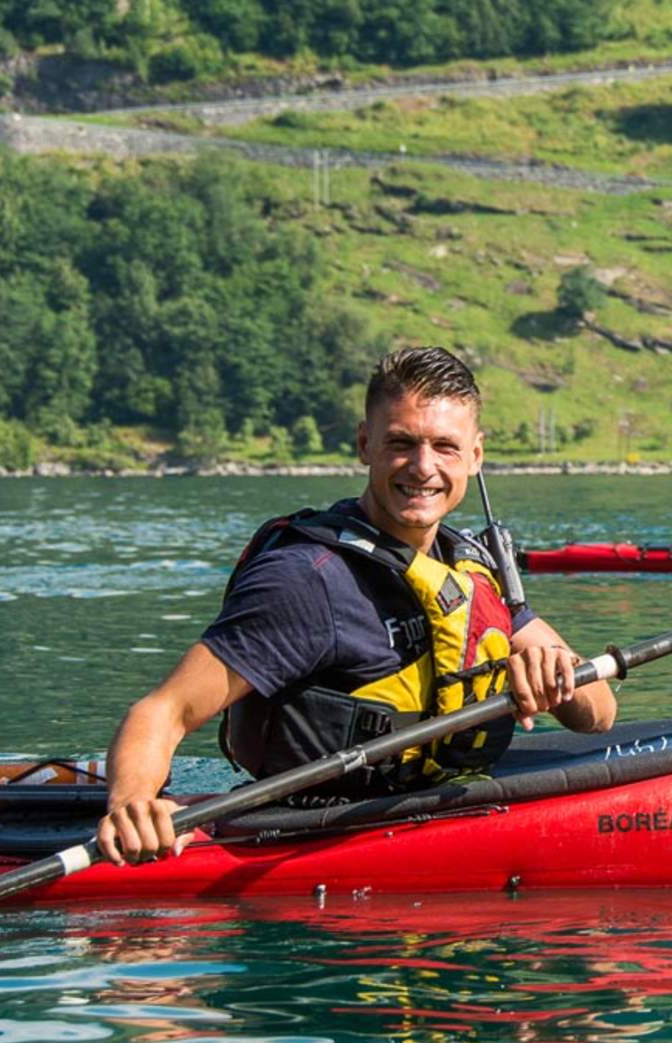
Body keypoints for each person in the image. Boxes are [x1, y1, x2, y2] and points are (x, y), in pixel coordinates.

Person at [96, 346, 616, 866]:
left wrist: (556, 674)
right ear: (365, 444)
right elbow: (164, 711)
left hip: (438, 815)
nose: (424, 467)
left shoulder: (468, 566)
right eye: (401, 443)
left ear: (475, 456)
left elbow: (599, 713)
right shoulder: (305, 579)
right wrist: (133, 803)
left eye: (445, 447)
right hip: (309, 839)